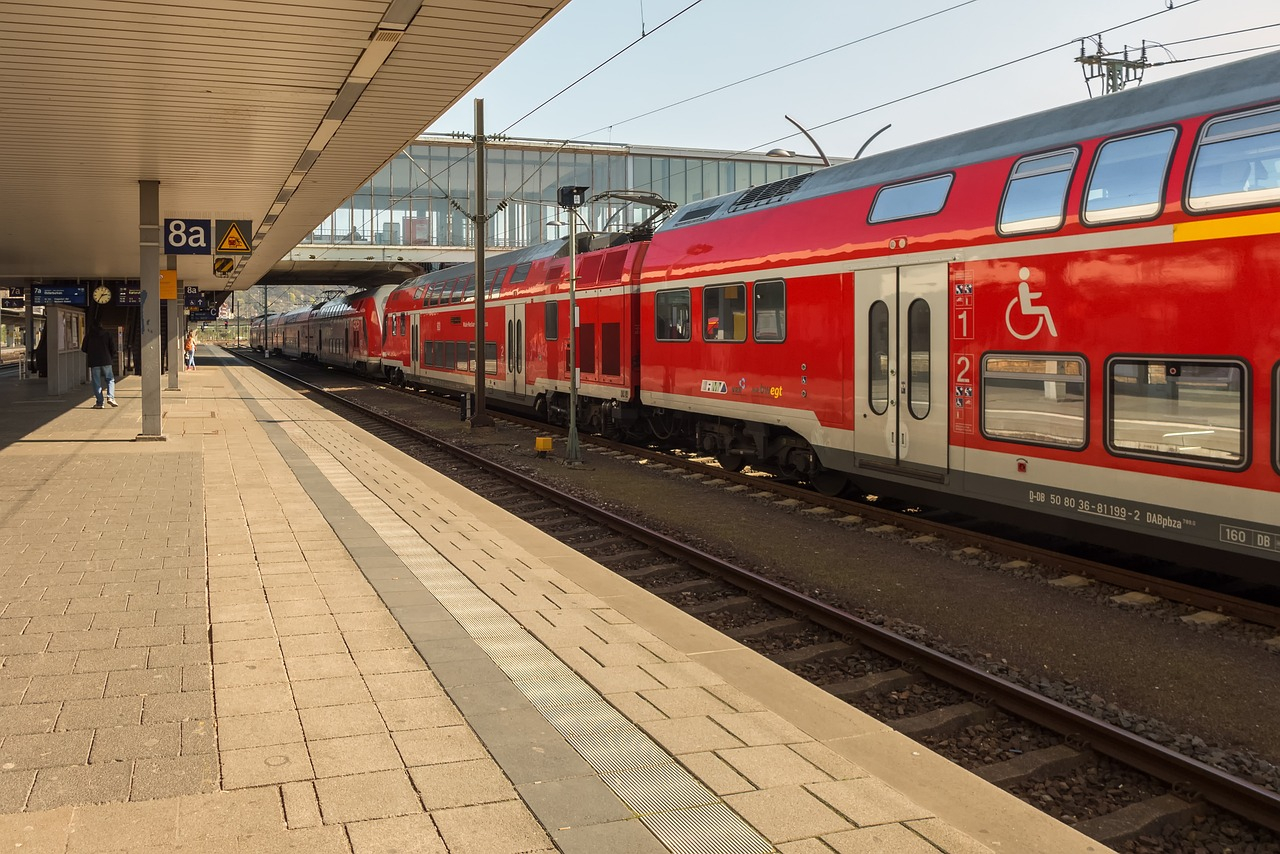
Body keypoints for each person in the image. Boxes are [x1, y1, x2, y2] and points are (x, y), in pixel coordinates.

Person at [81, 320, 118, 408]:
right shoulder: (107, 334)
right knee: (110, 379)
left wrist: (91, 352)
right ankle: (110, 397)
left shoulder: (89, 336)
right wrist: (110, 356)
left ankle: (100, 403)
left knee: (96, 382)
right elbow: (113, 348)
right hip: (106, 360)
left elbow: (83, 348)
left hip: (94, 361)